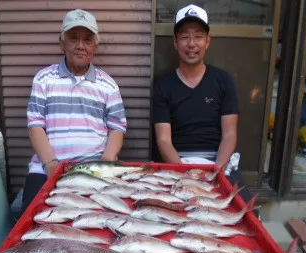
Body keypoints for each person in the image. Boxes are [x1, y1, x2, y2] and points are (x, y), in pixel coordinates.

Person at [22, 9, 127, 213]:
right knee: (32, 224)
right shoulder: (44, 79)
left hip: (93, 168)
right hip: (47, 168)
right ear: (62, 43)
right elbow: (35, 125)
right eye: (73, 38)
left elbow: (117, 127)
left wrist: (106, 162)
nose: (80, 46)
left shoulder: (108, 85)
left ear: (95, 46)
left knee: (107, 220)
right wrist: (51, 164)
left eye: (87, 40)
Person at [152, 4, 253, 204]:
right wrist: (185, 175)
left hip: (218, 161)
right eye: (184, 36)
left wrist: (217, 172)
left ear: (208, 41)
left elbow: (230, 134)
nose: (192, 43)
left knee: (248, 213)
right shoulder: (163, 86)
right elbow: (164, 141)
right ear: (175, 42)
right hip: (178, 163)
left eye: (198, 36)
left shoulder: (223, 81)